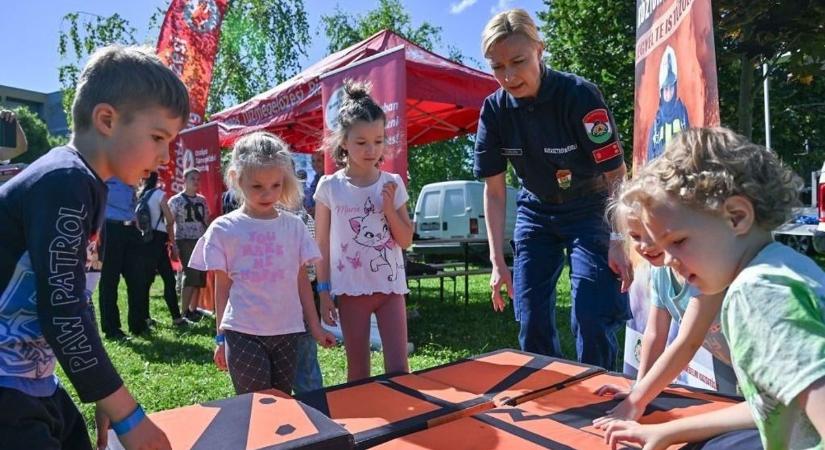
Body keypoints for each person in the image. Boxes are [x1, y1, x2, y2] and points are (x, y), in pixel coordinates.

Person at [0, 44, 187, 450]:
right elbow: (62, 310)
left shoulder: (84, 183)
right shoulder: (64, 182)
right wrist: (128, 413)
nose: (166, 156)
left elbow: (76, 303)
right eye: (158, 137)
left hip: (32, 381)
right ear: (106, 119)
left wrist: (104, 389)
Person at [602, 128, 825, 450]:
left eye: (678, 241)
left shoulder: (757, 295)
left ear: (736, 217)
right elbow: (776, 405)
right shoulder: (786, 267)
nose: (669, 259)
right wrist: (670, 432)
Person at [474, 8, 630, 370]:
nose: (509, 76)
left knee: (592, 313)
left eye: (518, 61)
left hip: (591, 206)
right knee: (530, 316)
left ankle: (598, 396)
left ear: (540, 50)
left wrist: (621, 239)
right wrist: (497, 261)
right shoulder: (494, 111)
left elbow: (618, 176)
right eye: (497, 67)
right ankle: (548, 399)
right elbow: (495, 192)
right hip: (536, 210)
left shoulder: (580, 96)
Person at [189, 132, 335, 395]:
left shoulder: (294, 226)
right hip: (242, 333)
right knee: (256, 406)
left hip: (288, 332)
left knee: (281, 404)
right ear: (237, 178)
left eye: (276, 185)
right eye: (257, 186)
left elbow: (301, 281)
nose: (268, 194)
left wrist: (314, 326)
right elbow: (222, 289)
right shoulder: (224, 228)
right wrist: (220, 337)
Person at [591, 178, 740, 425]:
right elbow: (654, 334)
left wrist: (636, 401)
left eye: (652, 233)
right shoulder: (661, 271)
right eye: (636, 236)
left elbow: (687, 343)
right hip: (730, 359)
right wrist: (639, 388)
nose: (645, 246)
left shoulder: (705, 268)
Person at [314, 80, 414, 382]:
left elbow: (406, 239)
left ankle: (406, 429)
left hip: (390, 289)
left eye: (378, 141)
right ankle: (367, 428)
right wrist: (323, 292)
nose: (371, 150)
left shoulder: (392, 183)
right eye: (361, 142)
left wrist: (388, 210)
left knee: (399, 370)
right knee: (357, 372)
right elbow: (321, 245)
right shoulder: (329, 186)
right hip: (350, 290)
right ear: (343, 141)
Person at [99, 177, 150, 338]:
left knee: (138, 279)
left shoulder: (132, 175)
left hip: (131, 229)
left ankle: (138, 325)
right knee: (110, 280)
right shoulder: (106, 176)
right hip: (111, 228)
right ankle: (112, 328)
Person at [137, 171, 189, 327]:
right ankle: (176, 318)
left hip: (145, 240)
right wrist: (172, 243)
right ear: (157, 180)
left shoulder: (141, 196)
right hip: (159, 240)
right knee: (168, 279)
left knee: (146, 281)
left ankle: (145, 317)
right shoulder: (159, 194)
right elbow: (170, 219)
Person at [168, 167, 210, 322]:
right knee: (190, 275)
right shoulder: (175, 200)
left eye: (198, 179)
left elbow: (206, 220)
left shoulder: (202, 200)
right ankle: (183, 312)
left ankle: (193, 310)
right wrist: (173, 244)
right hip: (184, 240)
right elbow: (170, 223)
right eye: (192, 178)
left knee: (199, 277)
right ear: (184, 180)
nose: (196, 182)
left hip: (201, 240)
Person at [646, 46, 690, 162]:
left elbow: (689, 143)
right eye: (665, 89)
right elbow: (650, 155)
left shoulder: (681, 112)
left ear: (674, 89)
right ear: (661, 91)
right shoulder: (657, 121)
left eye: (670, 88)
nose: (668, 93)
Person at [304, 149, 324, 217]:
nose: (315, 164)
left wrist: (316, 209)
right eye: (313, 161)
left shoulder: (328, 179)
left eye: (319, 161)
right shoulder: (315, 179)